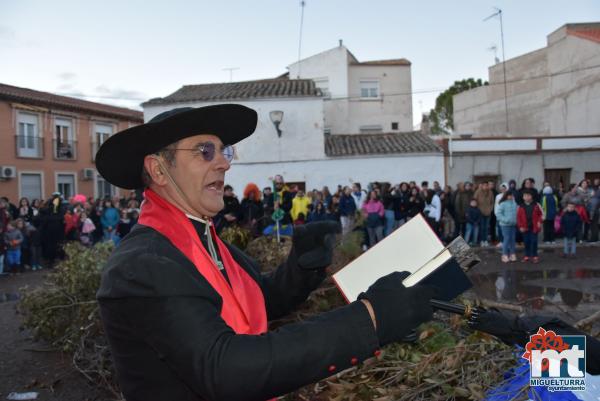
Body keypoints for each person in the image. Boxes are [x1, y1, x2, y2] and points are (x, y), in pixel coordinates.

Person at [94, 105, 439, 401]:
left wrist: (300, 267)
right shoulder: (142, 265)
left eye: (223, 151)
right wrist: (370, 318)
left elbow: (257, 299)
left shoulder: (208, 241)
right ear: (158, 170)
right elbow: (226, 367)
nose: (223, 164)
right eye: (204, 151)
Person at [517, 190, 543, 263]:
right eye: (525, 196)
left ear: (531, 196)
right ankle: (527, 255)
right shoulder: (521, 206)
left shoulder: (536, 205)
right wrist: (520, 226)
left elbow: (541, 214)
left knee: (534, 241)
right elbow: (518, 218)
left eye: (528, 195)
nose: (526, 197)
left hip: (534, 227)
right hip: (525, 227)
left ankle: (535, 256)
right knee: (526, 242)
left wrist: (539, 221)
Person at [496, 191, 518, 263]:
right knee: (506, 239)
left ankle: (512, 254)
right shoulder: (503, 204)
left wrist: (516, 221)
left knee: (513, 239)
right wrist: (505, 220)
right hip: (505, 225)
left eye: (512, 195)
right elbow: (498, 214)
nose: (511, 197)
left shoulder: (515, 204)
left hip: (513, 224)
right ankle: (504, 255)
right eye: (509, 195)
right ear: (506, 196)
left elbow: (517, 213)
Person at [474, 182, 494, 247]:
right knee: (482, 227)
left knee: (486, 227)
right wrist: (477, 210)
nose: (485, 186)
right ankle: (482, 241)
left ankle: (486, 240)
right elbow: (474, 200)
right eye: (484, 185)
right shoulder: (478, 192)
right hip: (480, 212)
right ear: (482, 186)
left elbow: (492, 202)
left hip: (488, 212)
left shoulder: (490, 192)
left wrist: (490, 209)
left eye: (486, 185)